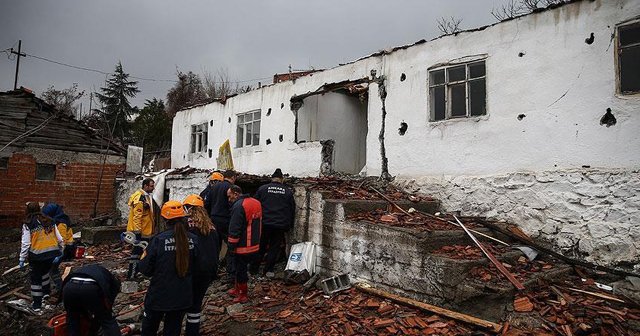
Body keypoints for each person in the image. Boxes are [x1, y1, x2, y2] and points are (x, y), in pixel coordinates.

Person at [139, 200, 200, 336]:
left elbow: (144, 269)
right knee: (173, 330)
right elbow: (198, 266)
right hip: (182, 296)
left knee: (149, 329)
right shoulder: (194, 240)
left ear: (164, 219)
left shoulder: (158, 240)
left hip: (159, 295)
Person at [182, 194, 219, 336]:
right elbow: (215, 250)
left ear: (187, 208)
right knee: (195, 306)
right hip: (207, 272)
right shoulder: (211, 226)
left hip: (190, 270)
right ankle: (192, 332)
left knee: (180, 304)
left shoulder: (185, 225)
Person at [18, 202, 64, 313]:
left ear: (27, 211)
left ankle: (37, 304)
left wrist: (22, 258)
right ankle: (46, 294)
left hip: (37, 255)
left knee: (36, 279)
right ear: (40, 209)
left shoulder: (28, 224)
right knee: (45, 273)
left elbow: (26, 243)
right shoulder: (49, 220)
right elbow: (59, 238)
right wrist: (61, 251)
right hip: (52, 254)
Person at [250, 168, 296, 278]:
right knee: (274, 248)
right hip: (280, 225)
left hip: (264, 223)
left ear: (272, 179)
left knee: (260, 246)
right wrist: (290, 224)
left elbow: (255, 204)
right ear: (282, 179)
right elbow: (292, 209)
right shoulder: (287, 192)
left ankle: (253, 269)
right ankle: (268, 270)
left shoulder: (262, 189)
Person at [62, 264, 121, 336]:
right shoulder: (112, 281)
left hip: (69, 287)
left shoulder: (92, 270)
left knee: (72, 318)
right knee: (107, 320)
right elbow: (108, 300)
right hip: (89, 288)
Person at [227, 185, 262, 303]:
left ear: (236, 194)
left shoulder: (238, 206)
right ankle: (238, 289)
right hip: (255, 243)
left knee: (239, 269)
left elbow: (234, 227)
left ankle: (242, 294)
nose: (229, 199)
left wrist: (231, 245)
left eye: (229, 196)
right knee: (242, 268)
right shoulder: (256, 202)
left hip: (242, 245)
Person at [206, 170, 236, 281]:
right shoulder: (230, 188)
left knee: (215, 247)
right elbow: (232, 204)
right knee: (232, 245)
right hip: (225, 220)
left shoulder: (214, 187)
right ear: (232, 177)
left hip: (213, 218)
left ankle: (212, 272)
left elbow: (207, 203)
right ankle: (230, 272)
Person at [126, 178, 156, 279]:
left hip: (145, 231)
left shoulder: (145, 197)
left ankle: (138, 272)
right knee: (137, 253)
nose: (153, 188)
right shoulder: (140, 198)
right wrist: (137, 233)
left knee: (143, 253)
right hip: (141, 231)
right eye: (151, 186)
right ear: (145, 186)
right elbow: (137, 217)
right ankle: (132, 275)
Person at [41, 202, 75, 292]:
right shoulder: (57, 220)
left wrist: (59, 254)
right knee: (51, 270)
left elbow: (62, 240)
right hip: (59, 249)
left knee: (52, 269)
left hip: (64, 249)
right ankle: (58, 288)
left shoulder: (61, 224)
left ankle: (61, 289)